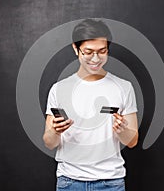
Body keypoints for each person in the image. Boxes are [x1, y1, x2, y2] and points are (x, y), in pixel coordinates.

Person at [43, 18, 138, 191]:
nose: (95, 58)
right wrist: (54, 131)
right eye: (88, 52)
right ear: (75, 48)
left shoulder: (124, 87)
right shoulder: (59, 89)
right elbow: (49, 143)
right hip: (69, 181)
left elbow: (132, 141)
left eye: (102, 51)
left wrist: (122, 130)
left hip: (110, 182)